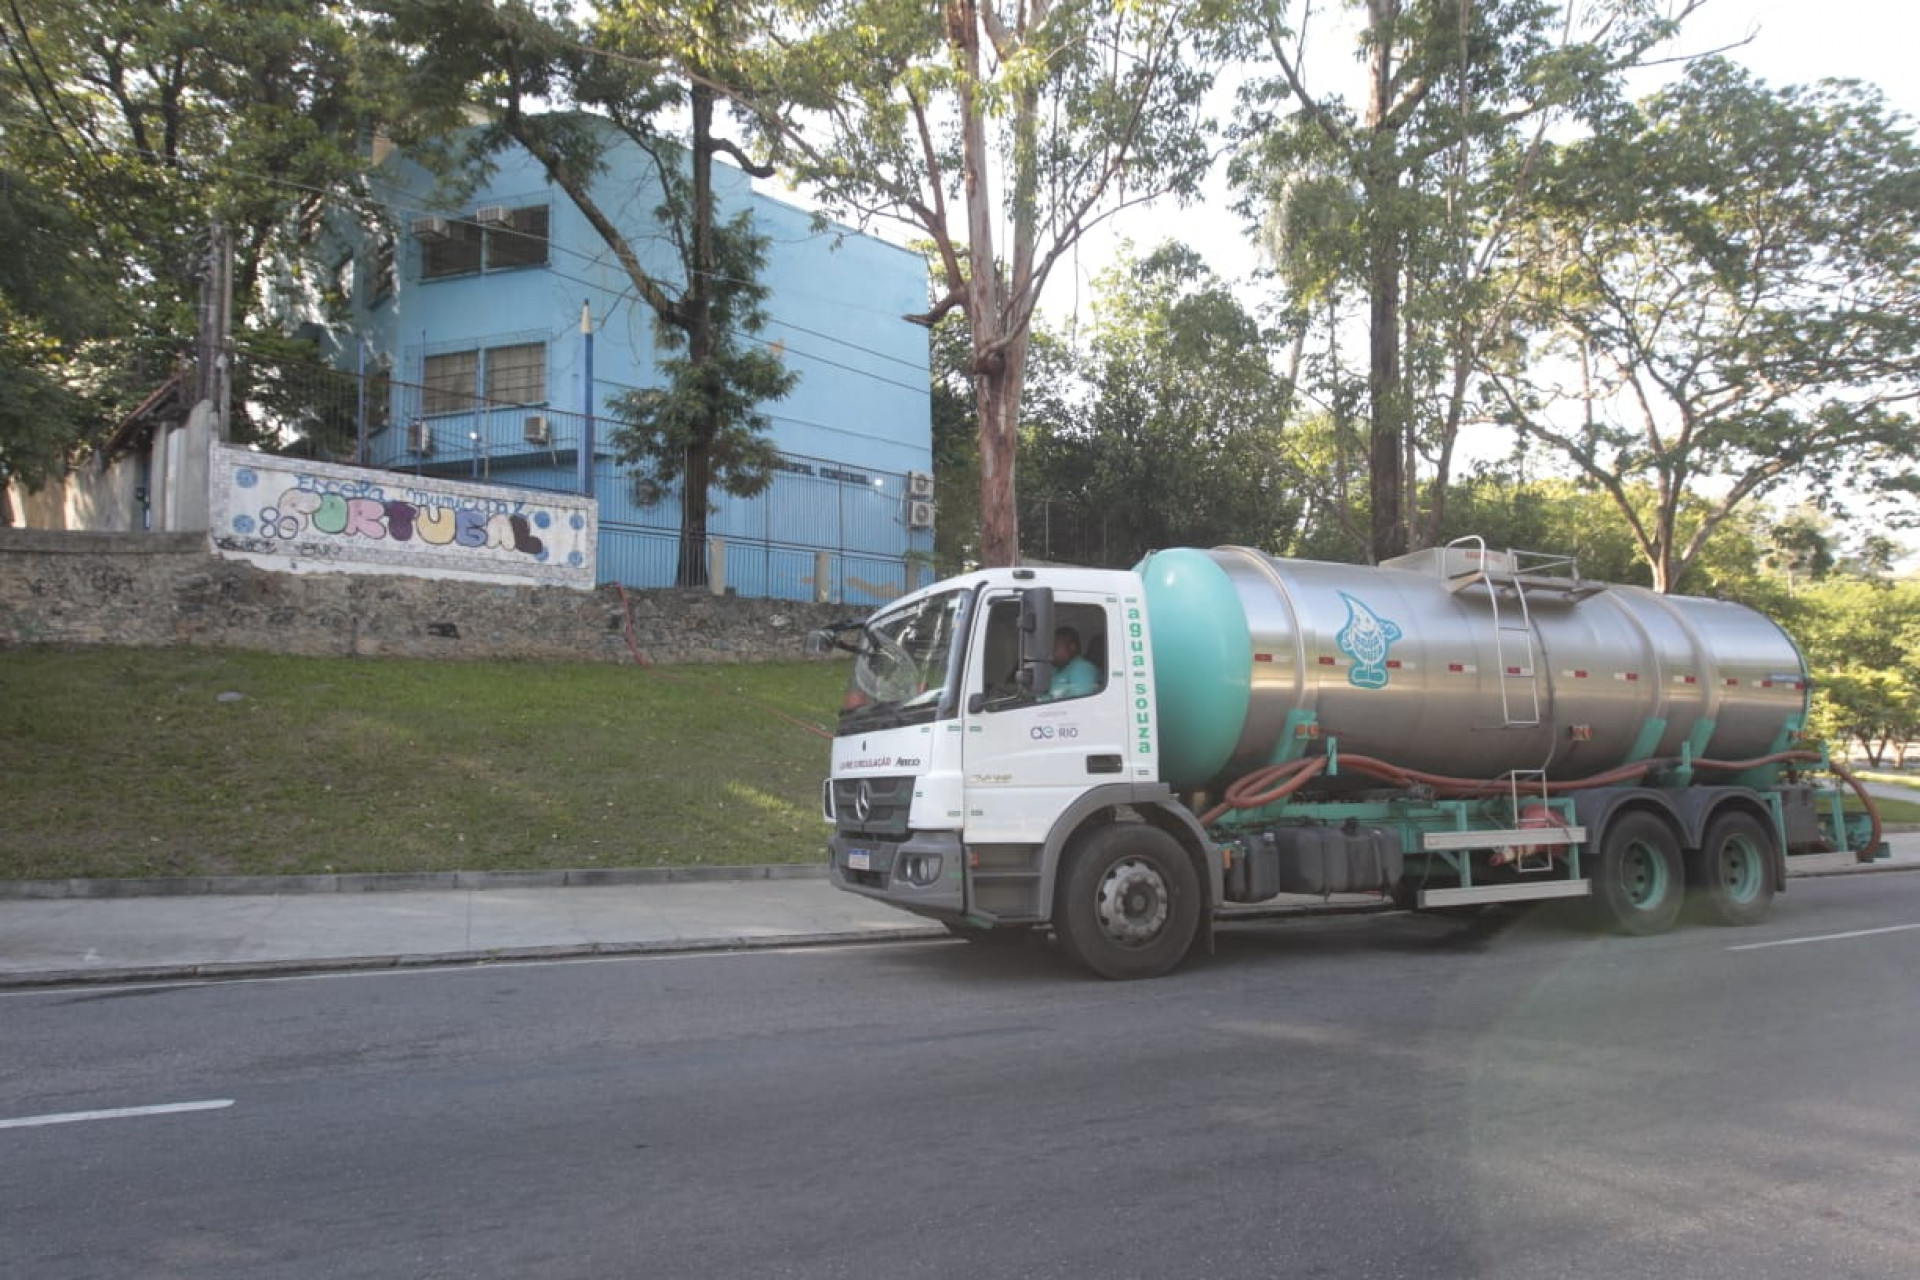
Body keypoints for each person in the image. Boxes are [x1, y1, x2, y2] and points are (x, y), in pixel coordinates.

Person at [1042, 625, 1100, 701]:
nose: (1051, 651)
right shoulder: (1055, 669)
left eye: (1055, 646)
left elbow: (1077, 704)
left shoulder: (1082, 668)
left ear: (1071, 647)